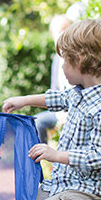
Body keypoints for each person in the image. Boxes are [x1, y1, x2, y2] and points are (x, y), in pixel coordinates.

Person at [2, 18, 101, 200]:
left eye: (64, 61)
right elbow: (56, 99)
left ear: (79, 61)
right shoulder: (81, 93)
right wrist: (24, 101)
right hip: (68, 185)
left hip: (92, 190)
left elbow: (99, 156)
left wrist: (56, 156)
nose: (61, 66)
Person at [34, 12, 74, 142]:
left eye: (65, 31)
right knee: (36, 122)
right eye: (59, 32)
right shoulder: (56, 60)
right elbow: (55, 91)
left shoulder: (78, 58)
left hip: (75, 111)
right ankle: (42, 160)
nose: (62, 35)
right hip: (60, 112)